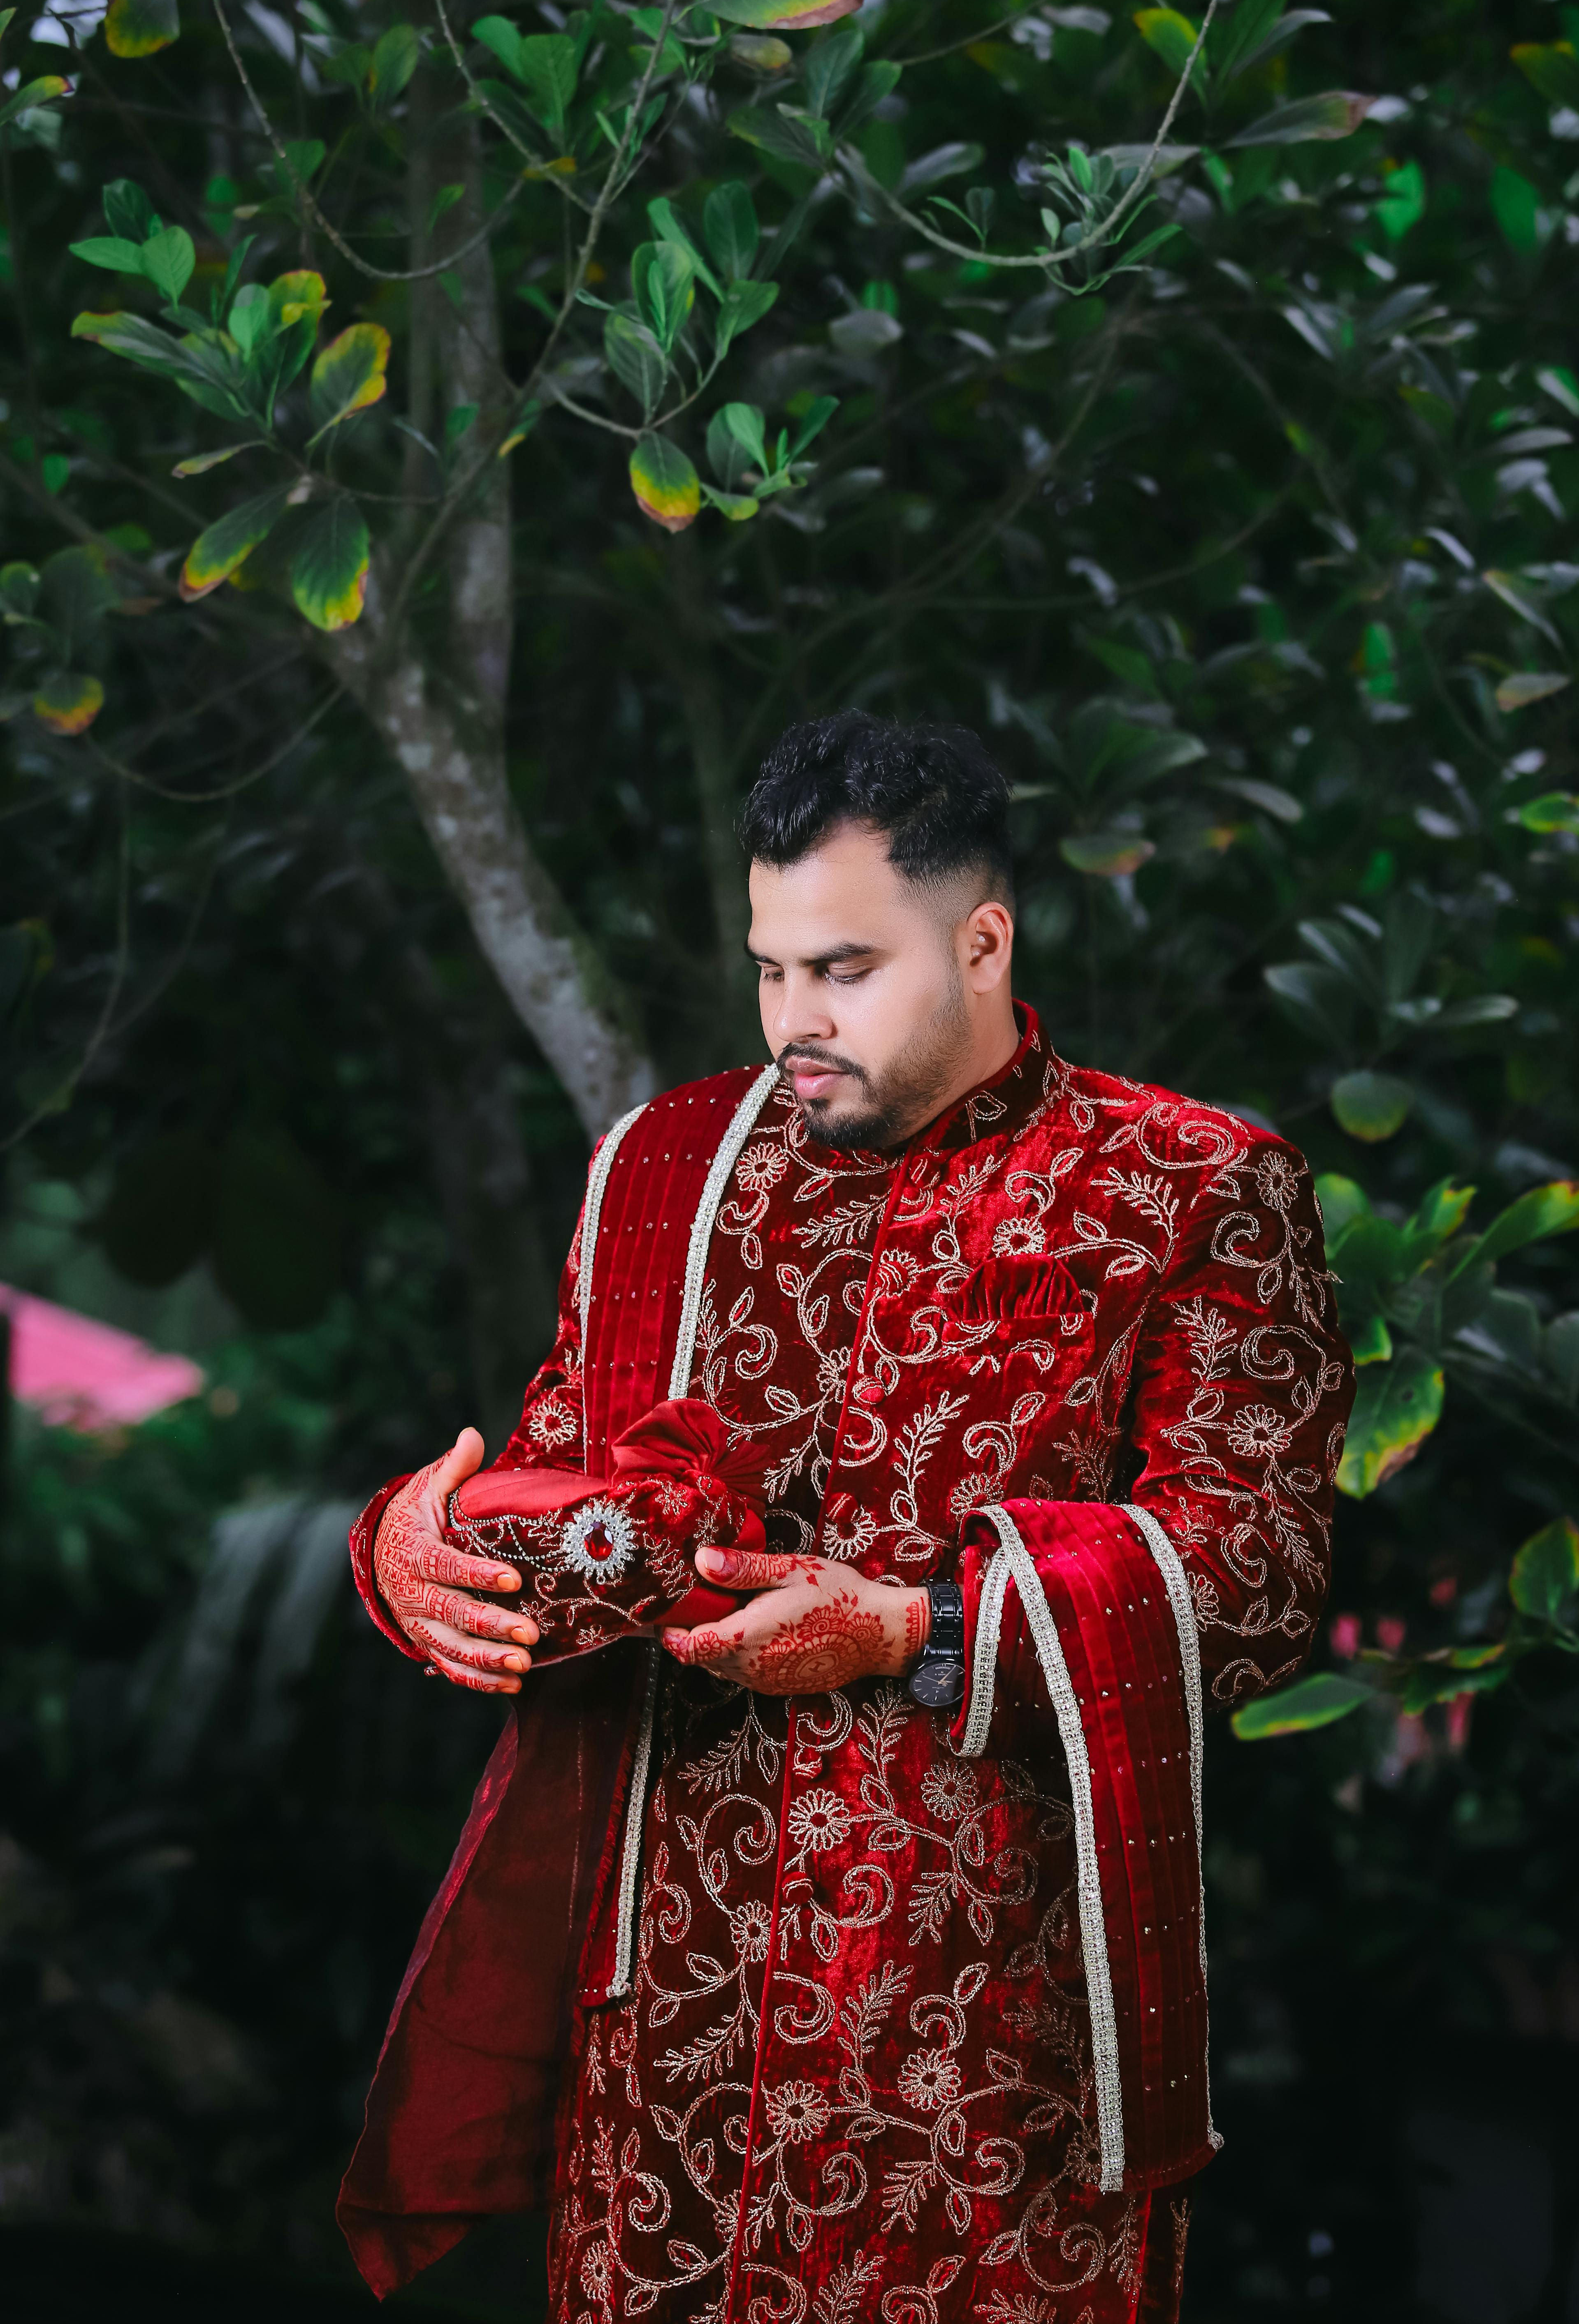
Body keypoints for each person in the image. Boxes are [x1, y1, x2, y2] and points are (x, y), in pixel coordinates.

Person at [341, 712, 1352, 2324]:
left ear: (982, 936)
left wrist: (905, 1630)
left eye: (844, 970)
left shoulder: (1187, 1189)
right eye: (769, 969)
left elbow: (1250, 1574)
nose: (793, 1022)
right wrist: (414, 1540)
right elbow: (560, 1485)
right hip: (665, 2027)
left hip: (977, 2044)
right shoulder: (668, 1168)